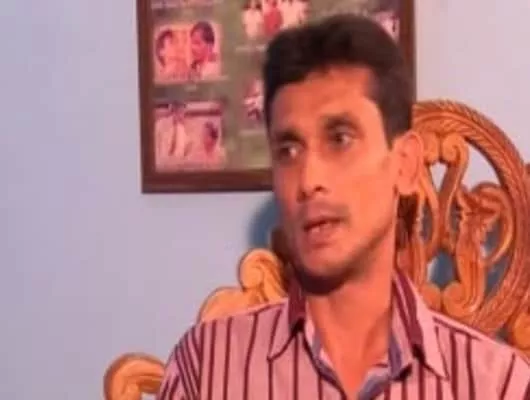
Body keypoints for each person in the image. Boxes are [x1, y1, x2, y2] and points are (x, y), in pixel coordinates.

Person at [156, 15, 530, 399]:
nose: (308, 179)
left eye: (340, 139)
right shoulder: (207, 369)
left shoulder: (497, 385)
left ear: (405, 165)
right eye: (289, 150)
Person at [154, 102, 192, 171]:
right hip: (162, 166)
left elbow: (186, 148)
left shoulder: (181, 129)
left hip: (177, 167)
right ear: (173, 112)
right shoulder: (160, 125)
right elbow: (155, 147)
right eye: (180, 112)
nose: (182, 116)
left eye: (183, 113)